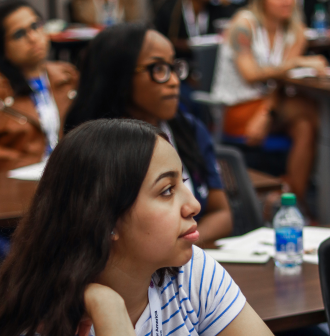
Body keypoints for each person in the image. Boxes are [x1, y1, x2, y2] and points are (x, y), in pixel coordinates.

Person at [0, 118, 307, 336]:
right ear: (107, 220)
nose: (192, 204)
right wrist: (107, 306)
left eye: (185, 184)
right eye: (166, 191)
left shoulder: (188, 271)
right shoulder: (39, 319)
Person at [65, 23, 232, 245]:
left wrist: (182, 245)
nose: (174, 81)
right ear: (118, 76)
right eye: (158, 69)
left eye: (174, 68)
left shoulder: (188, 129)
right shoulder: (93, 148)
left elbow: (222, 214)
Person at [212, 0, 327, 207]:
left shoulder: (296, 30)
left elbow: (279, 82)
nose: (287, 1)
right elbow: (250, 74)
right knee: (311, 110)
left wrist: (266, 112)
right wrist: (296, 63)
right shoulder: (243, 24)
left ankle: (289, 202)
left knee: (306, 126)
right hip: (239, 107)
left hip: (272, 106)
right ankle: (289, 202)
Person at [0, 1, 78, 170]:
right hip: (18, 183)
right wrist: (31, 164)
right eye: (19, 34)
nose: (33, 38)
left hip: (69, 176)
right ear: (3, 47)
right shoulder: (2, 90)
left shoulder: (68, 76)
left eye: (35, 26)